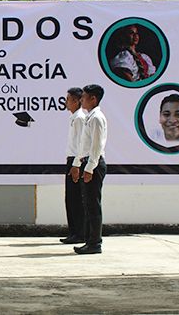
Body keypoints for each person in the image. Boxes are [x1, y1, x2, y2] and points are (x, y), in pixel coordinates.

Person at [70, 84, 107, 255]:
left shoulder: (97, 118)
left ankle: (95, 243)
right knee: (87, 204)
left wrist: (90, 168)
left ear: (93, 99)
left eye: (84, 97)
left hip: (94, 163)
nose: (82, 100)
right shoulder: (89, 117)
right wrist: (77, 164)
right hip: (86, 162)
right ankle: (89, 240)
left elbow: (96, 146)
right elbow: (83, 146)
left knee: (93, 204)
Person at [60, 87, 86, 245]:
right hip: (72, 160)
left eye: (68, 99)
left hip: (77, 161)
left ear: (76, 101)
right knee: (70, 198)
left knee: (76, 198)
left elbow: (82, 145)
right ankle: (74, 231)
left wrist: (76, 164)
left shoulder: (80, 118)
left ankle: (80, 232)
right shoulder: (74, 118)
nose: (66, 102)